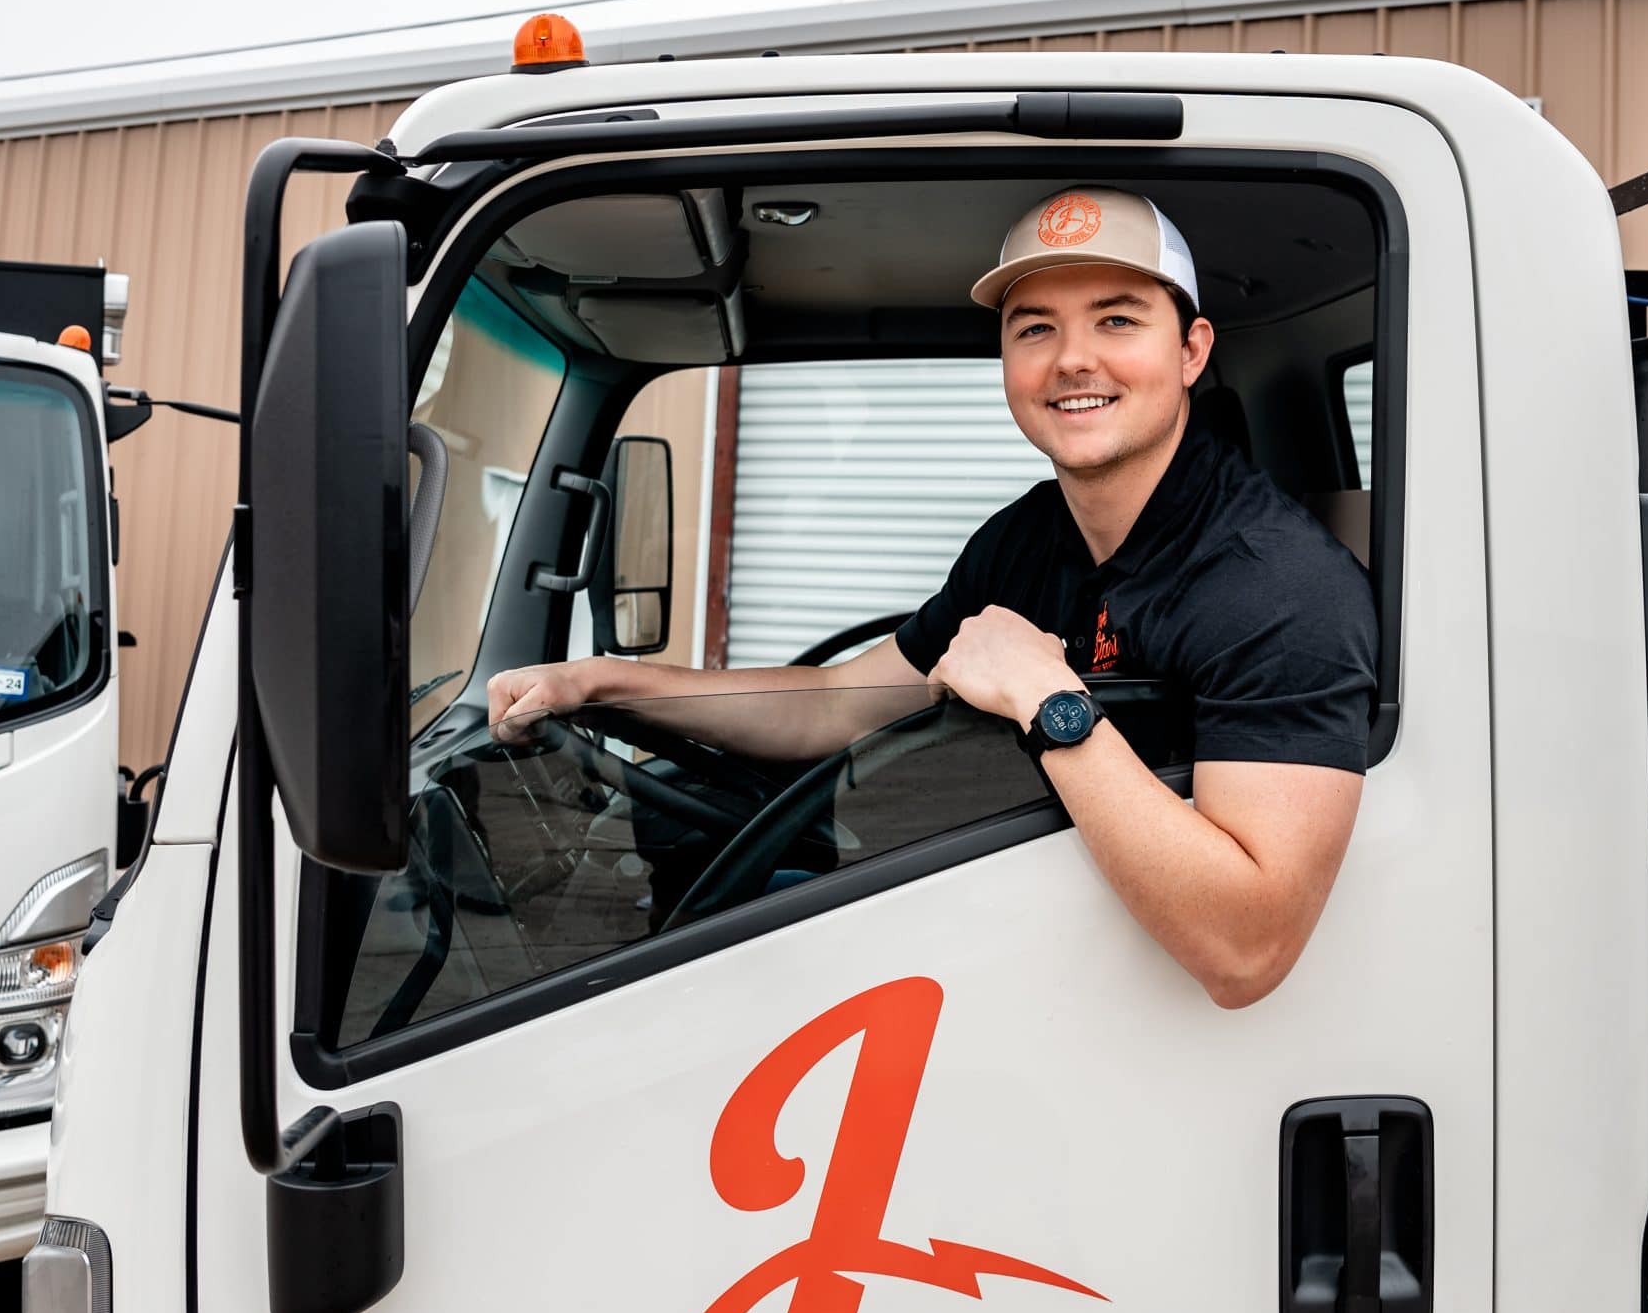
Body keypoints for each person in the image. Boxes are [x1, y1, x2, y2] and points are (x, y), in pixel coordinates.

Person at [488, 187, 1377, 1008]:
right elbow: (839, 704)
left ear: (1190, 351)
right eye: (1035, 329)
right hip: (1015, 948)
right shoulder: (1028, 539)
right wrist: (602, 682)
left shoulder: (1276, 587)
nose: (1073, 359)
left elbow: (1246, 949)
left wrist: (1047, 698)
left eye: (1117, 319)